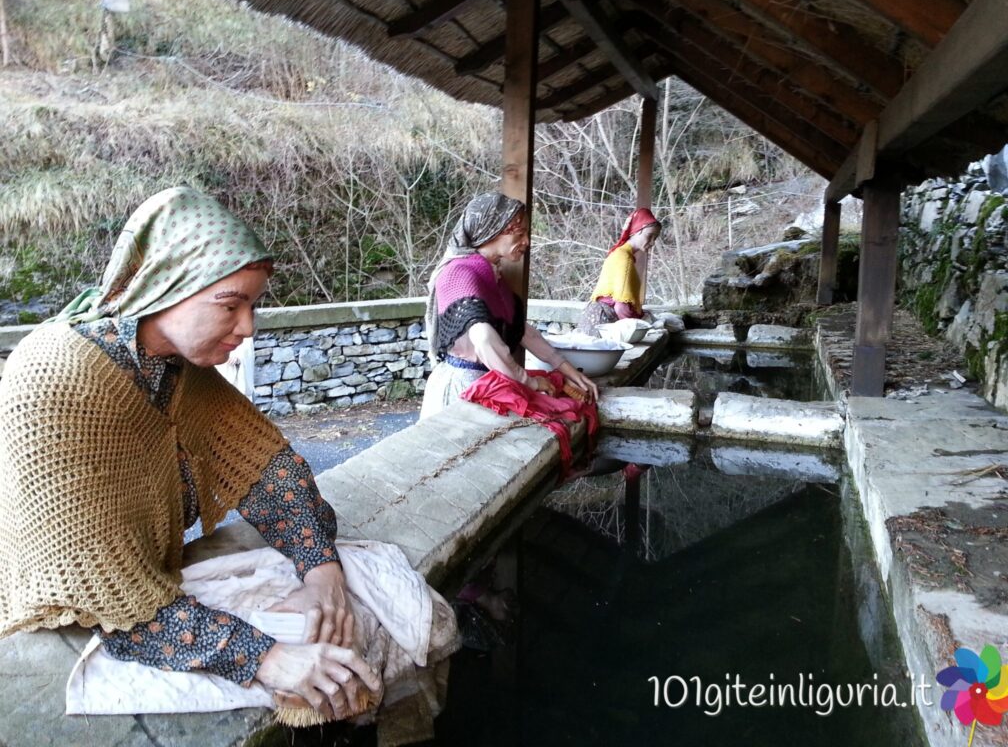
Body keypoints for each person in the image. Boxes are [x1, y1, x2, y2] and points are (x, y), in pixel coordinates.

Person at [0, 186, 379, 722]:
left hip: (150, 586)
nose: (247, 328)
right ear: (166, 287)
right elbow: (108, 597)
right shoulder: (56, 378)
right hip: (63, 614)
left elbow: (269, 474)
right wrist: (266, 658)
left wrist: (321, 571)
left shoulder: (174, 367)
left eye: (252, 305)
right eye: (231, 304)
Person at [421, 191, 599, 419]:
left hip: (483, 383)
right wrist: (530, 382)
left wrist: (565, 367)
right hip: (462, 388)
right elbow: (483, 338)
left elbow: (520, 330)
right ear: (494, 230)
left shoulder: (489, 275)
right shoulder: (460, 274)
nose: (526, 241)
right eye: (520, 233)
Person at [577, 207, 661, 335]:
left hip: (597, 318)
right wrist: (636, 330)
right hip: (602, 320)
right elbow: (621, 306)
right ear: (637, 231)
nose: (652, 242)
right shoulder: (623, 258)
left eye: (655, 238)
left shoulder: (621, 254)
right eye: (649, 236)